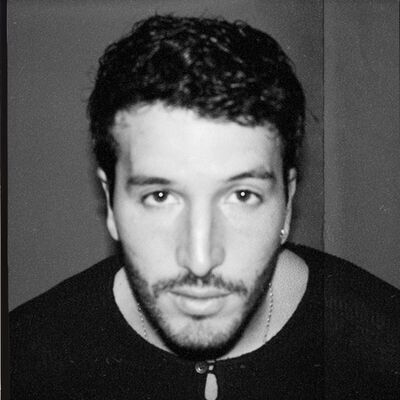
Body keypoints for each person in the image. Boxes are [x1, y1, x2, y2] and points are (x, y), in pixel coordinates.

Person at [10, 15, 400, 399]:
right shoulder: (21, 362)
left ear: (288, 203)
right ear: (111, 204)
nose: (199, 261)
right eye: (160, 197)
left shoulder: (383, 346)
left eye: (242, 195)